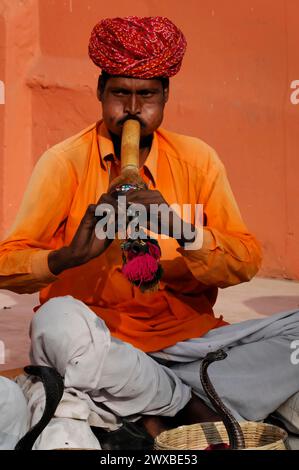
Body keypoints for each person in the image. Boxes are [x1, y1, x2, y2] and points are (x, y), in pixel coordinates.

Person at [0, 16, 298, 445]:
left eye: (147, 96)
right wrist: (66, 258)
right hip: (105, 346)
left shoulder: (198, 161)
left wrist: (185, 233)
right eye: (121, 94)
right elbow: (8, 265)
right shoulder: (64, 162)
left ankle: (135, 410)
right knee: (54, 322)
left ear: (166, 96)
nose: (134, 110)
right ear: (101, 92)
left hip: (192, 349)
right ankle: (187, 407)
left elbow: (245, 261)